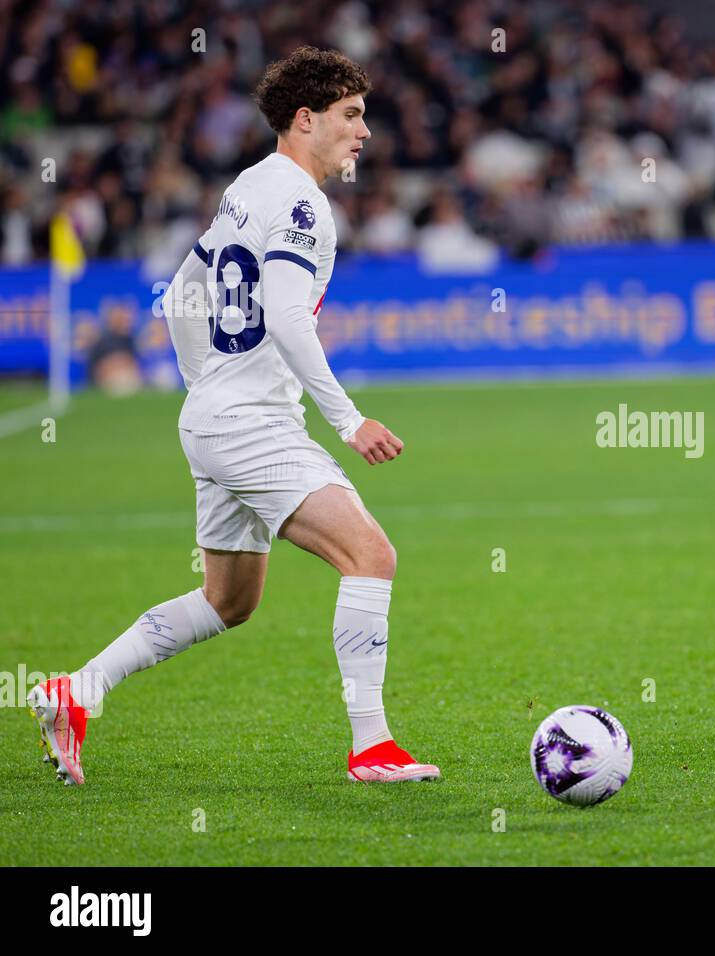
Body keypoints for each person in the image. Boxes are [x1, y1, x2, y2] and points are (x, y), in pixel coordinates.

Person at [28, 46, 440, 785]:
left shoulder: (249, 185)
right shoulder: (305, 203)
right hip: (251, 423)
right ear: (304, 118)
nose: (366, 131)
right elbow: (285, 314)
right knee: (371, 555)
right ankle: (372, 744)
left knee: (229, 600)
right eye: (351, 115)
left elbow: (183, 292)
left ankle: (75, 692)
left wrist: (205, 385)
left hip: (217, 416)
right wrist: (348, 421)